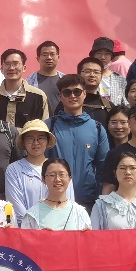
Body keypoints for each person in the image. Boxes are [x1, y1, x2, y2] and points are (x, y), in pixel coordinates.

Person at [49, 73, 109, 210]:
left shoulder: (97, 128)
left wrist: (98, 197)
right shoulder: (49, 127)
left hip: (88, 201)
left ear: (84, 94)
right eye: (67, 92)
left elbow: (103, 168)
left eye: (77, 91)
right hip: (54, 201)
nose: (72, 96)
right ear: (60, 96)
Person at [4, 120, 57, 224]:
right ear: (23, 142)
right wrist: (34, 227)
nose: (36, 143)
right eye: (30, 138)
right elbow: (16, 206)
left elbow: (67, 202)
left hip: (56, 228)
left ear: (47, 141)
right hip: (25, 229)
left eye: (40, 138)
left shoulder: (58, 168)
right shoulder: (14, 169)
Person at [21, 158, 92, 231]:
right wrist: (41, 236)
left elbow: (88, 238)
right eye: (52, 175)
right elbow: (25, 237)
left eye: (62, 174)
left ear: (69, 179)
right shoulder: (32, 214)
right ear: (43, 179)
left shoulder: (79, 212)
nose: (57, 179)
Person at [0, 49, 48, 128]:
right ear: (1, 69)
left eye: (15, 64)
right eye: (7, 64)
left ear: (24, 68)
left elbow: (44, 128)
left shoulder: (38, 96)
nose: (11, 68)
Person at [26, 40, 62, 115]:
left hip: (62, 121)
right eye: (45, 54)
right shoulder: (29, 82)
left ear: (58, 57)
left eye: (52, 54)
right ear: (38, 58)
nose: (49, 57)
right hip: (39, 121)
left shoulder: (65, 80)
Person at [89, 36, 126, 105]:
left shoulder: (120, 80)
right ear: (93, 56)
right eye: (99, 53)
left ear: (112, 57)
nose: (102, 57)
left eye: (107, 54)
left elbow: (126, 104)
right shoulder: (86, 78)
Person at [76, 57, 113, 125]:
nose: (92, 75)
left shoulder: (109, 106)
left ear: (101, 76)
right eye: (88, 71)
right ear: (79, 75)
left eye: (96, 72)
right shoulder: (69, 102)